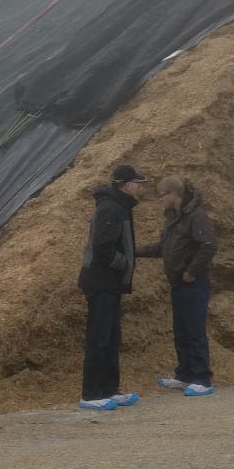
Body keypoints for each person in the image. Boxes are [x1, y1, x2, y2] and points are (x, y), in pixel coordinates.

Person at [136, 175, 217, 396]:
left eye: (163, 195)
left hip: (193, 284)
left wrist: (191, 272)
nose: (161, 200)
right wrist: (133, 250)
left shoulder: (197, 216)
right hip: (177, 284)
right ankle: (185, 375)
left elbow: (208, 246)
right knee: (181, 331)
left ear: (173, 195)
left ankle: (202, 378)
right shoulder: (173, 219)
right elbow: (163, 247)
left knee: (194, 330)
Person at [76, 164, 147, 410]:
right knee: (100, 338)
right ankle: (92, 394)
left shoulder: (119, 207)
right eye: (137, 183)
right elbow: (103, 247)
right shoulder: (111, 209)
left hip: (111, 284)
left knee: (112, 337)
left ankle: (109, 389)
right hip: (101, 282)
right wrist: (124, 263)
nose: (140, 187)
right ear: (126, 185)